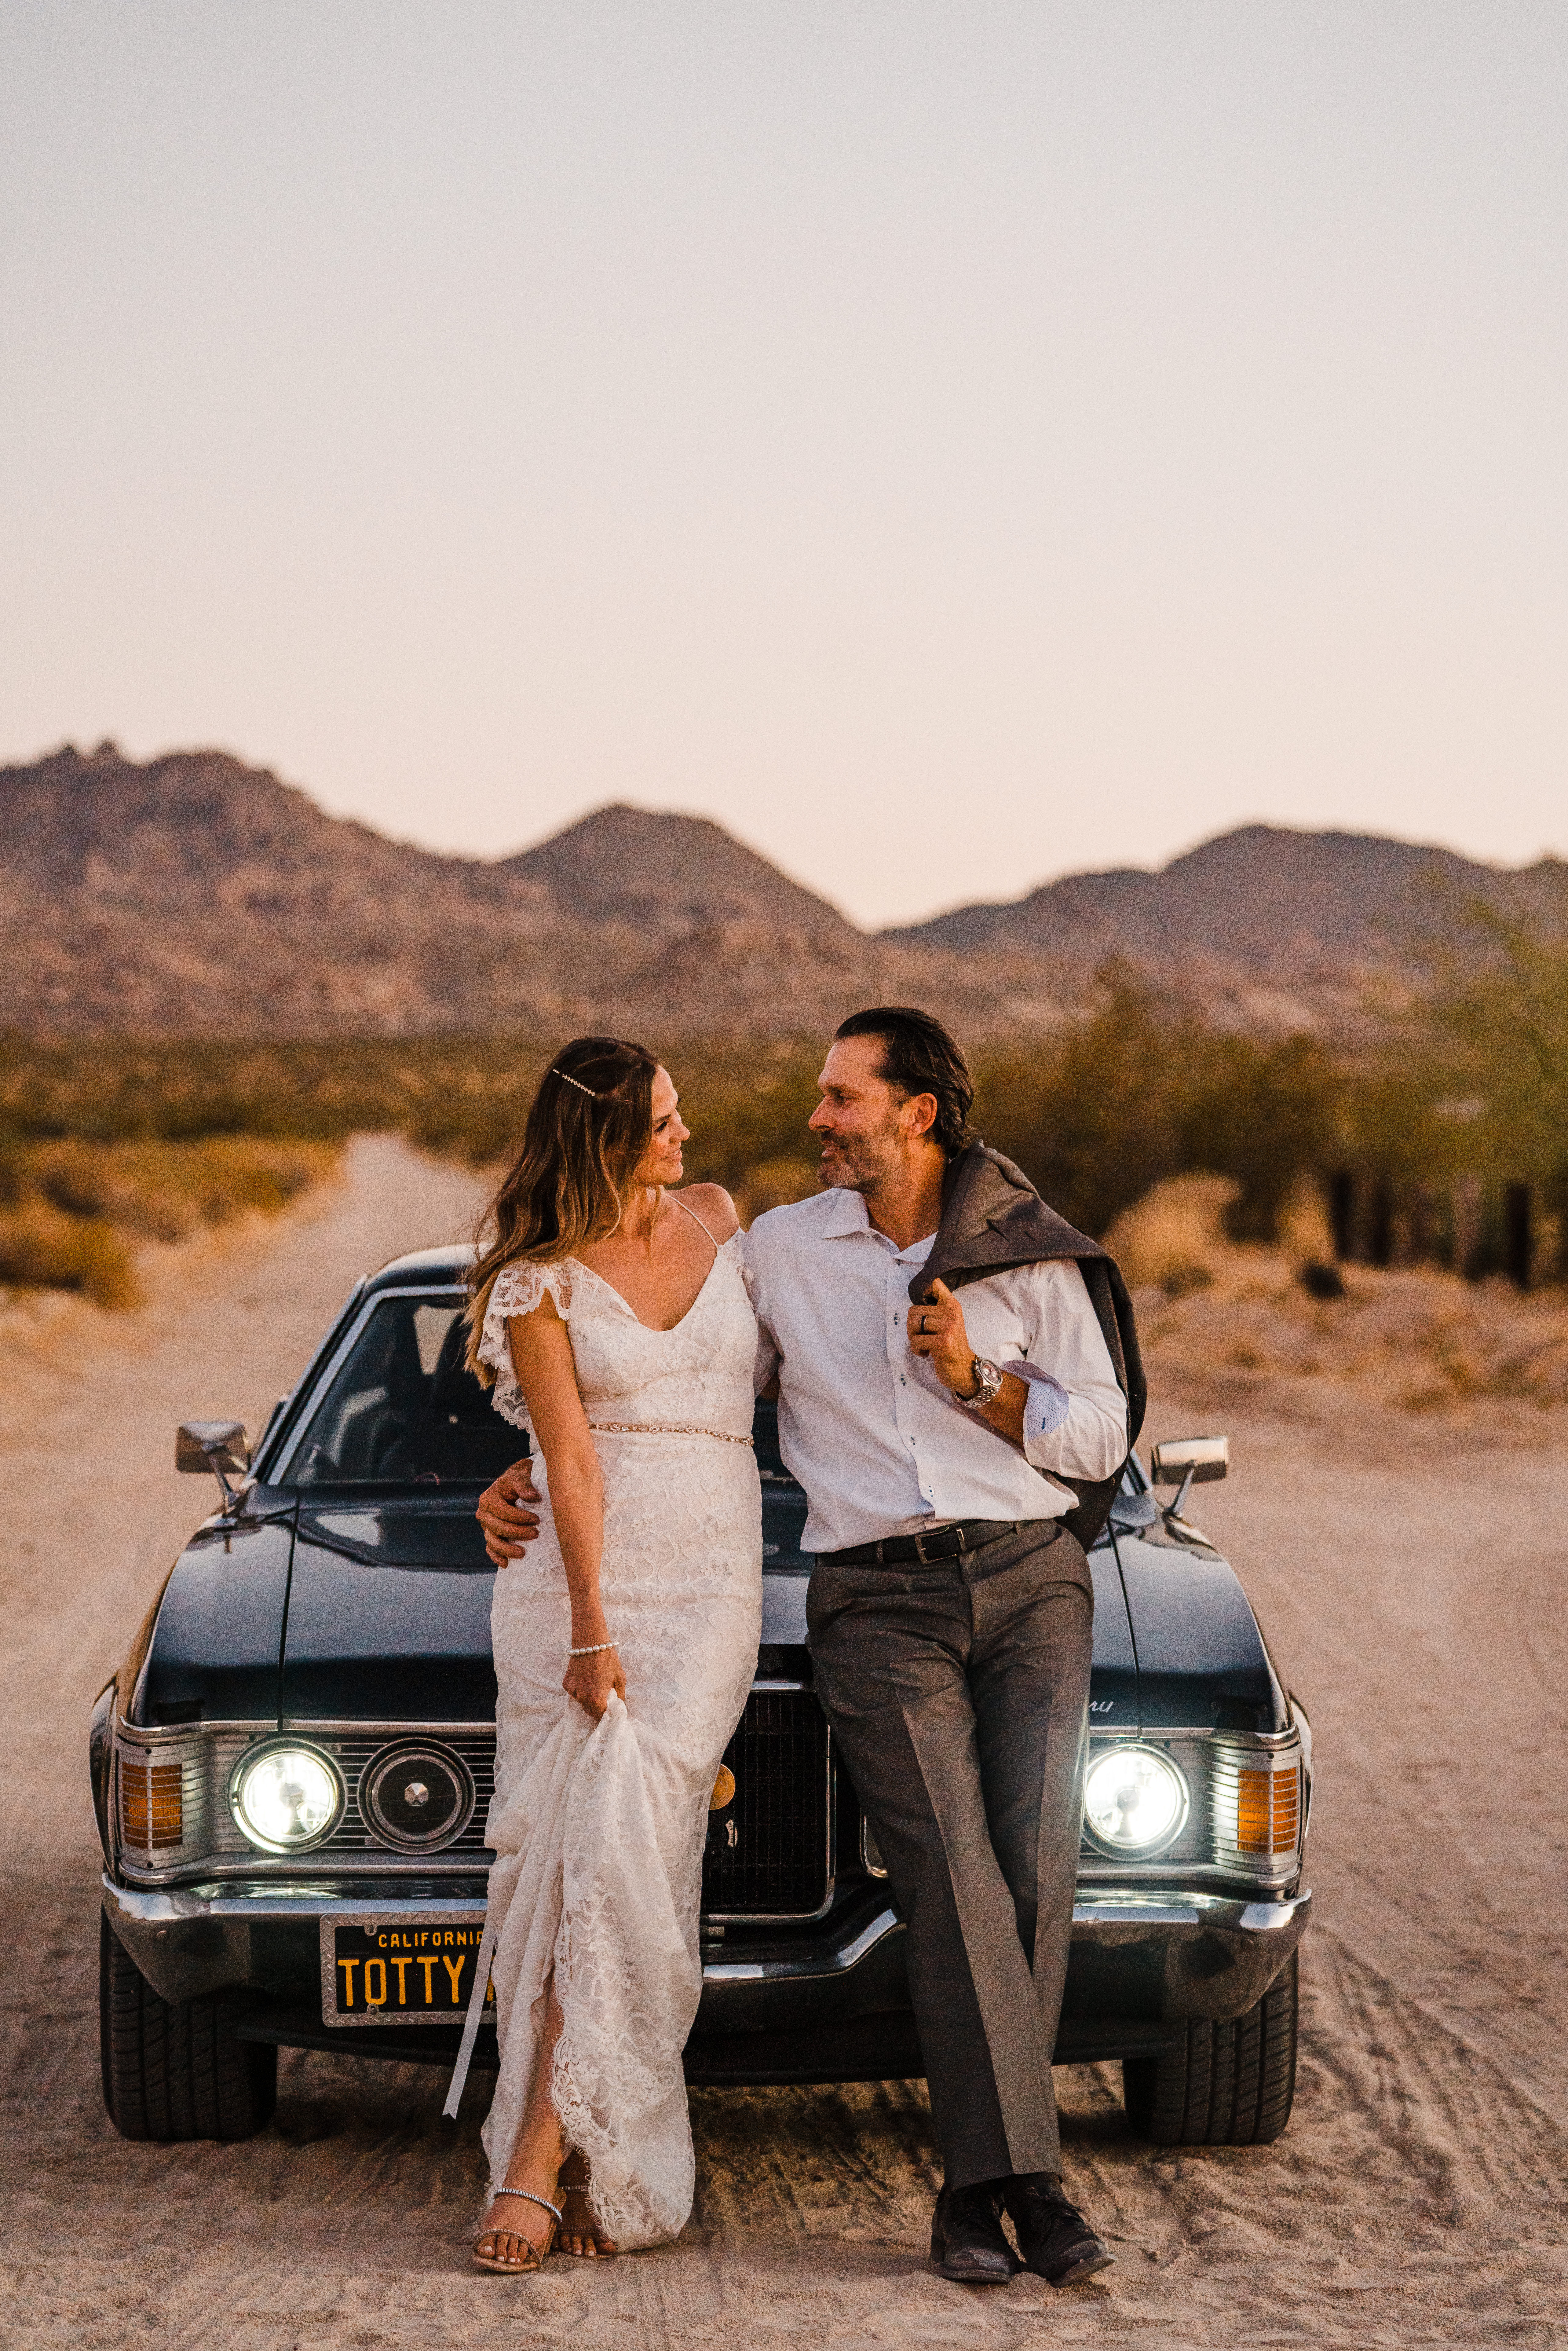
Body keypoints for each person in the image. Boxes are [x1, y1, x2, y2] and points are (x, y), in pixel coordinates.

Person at [477, 1006, 1144, 2291]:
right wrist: (515, 1478)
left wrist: (982, 1381)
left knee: (1033, 1865)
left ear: (916, 1114)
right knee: (950, 1875)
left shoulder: (1031, 1252)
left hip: (1029, 1580)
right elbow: (670, 1384)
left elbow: (1100, 1439)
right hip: (875, 1598)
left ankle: (999, 2180)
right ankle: (1006, 2187)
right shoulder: (775, 1250)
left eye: (839, 1098)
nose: (812, 1118)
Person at [459, 1036, 762, 2275]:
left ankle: (560, 2144)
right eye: (662, 1123)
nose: (685, 1138)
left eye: (682, 1114)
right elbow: (571, 1459)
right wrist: (590, 1629)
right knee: (584, 1857)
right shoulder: (537, 1283)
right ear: (606, 1141)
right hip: (582, 1591)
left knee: (639, 1847)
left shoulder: (725, 1218)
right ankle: (552, 2151)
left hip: (709, 1584)